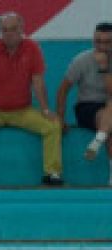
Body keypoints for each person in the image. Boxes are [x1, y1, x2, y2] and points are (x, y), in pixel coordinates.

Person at [0, 13, 63, 187]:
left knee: (53, 125)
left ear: (22, 29)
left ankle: (52, 173)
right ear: (0, 31)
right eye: (4, 30)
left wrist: (45, 109)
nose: (9, 34)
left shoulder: (33, 48)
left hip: (22, 111)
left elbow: (38, 82)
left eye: (13, 29)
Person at [56, 22, 112, 179]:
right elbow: (62, 91)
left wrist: (104, 68)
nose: (101, 46)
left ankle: (99, 139)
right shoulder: (81, 60)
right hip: (87, 107)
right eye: (97, 41)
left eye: (107, 42)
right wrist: (60, 118)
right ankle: (101, 137)